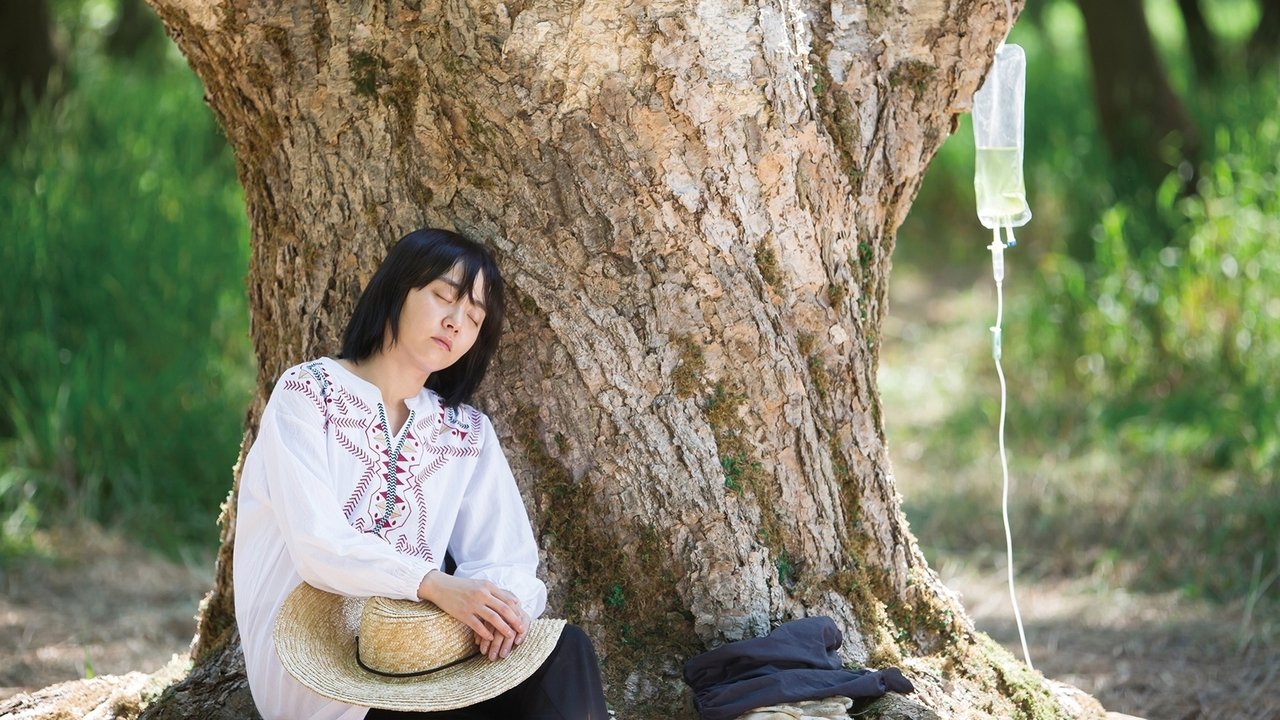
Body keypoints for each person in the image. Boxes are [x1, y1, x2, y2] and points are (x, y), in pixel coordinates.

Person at [233, 228, 610, 719]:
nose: (456, 322)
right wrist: (434, 584)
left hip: (424, 666)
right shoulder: (309, 393)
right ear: (397, 289)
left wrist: (494, 613)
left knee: (566, 654)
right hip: (319, 676)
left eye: (474, 318)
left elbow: (509, 561)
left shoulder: (465, 432)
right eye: (444, 297)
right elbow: (316, 544)